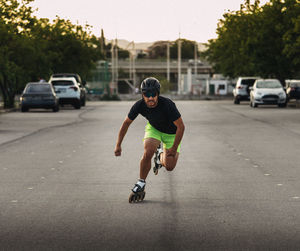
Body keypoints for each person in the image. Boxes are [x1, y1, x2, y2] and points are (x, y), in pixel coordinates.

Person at [114, 77, 185, 202]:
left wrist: (173, 148)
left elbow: (181, 127)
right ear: (142, 94)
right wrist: (118, 145)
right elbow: (126, 124)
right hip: (155, 129)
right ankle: (141, 182)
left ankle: (159, 157)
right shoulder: (139, 105)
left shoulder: (168, 105)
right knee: (148, 152)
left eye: (153, 94)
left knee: (169, 166)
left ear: (158, 94)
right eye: (147, 94)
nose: (150, 98)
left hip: (172, 134)